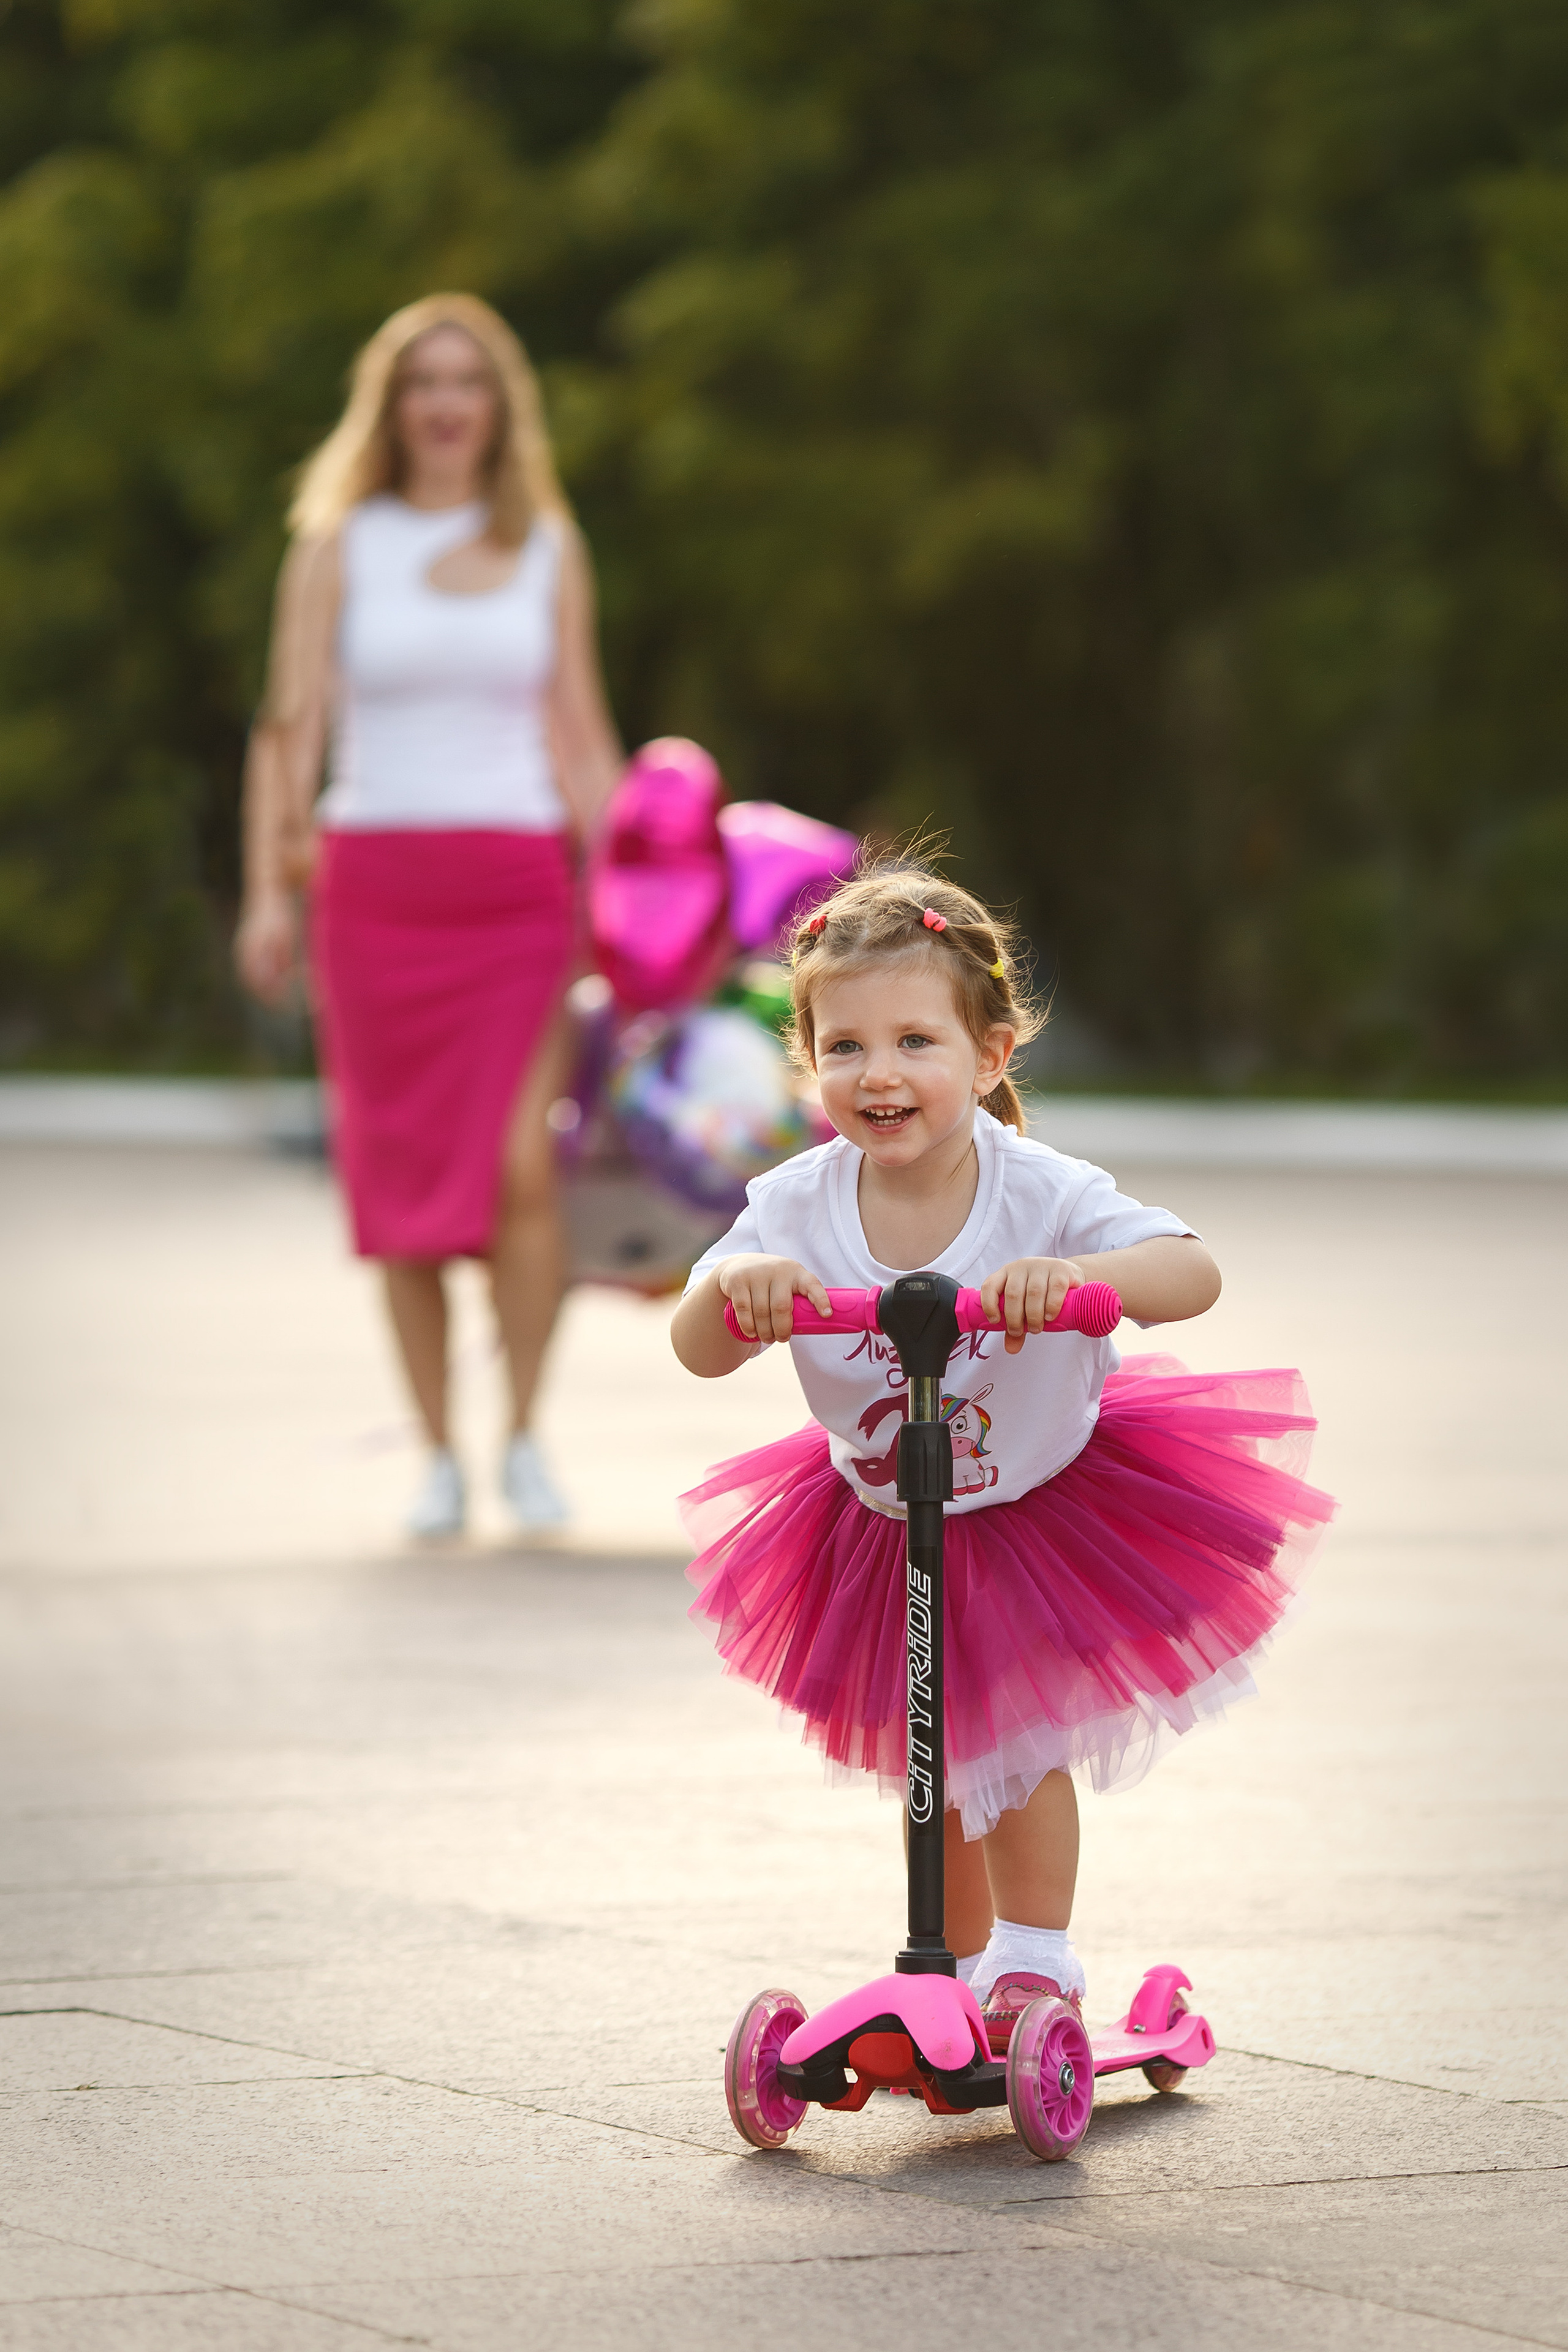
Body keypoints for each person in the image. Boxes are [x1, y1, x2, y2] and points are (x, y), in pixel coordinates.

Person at [670, 861, 1333, 2040]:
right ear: (808, 1059)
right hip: (879, 1513)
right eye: (844, 1046)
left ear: (988, 1058)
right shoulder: (794, 1200)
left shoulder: (1041, 1188)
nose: (879, 1073)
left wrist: (1080, 1282)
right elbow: (696, 1343)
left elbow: (1191, 1272)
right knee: (935, 1759)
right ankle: (950, 1967)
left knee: (1014, 1749)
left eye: (917, 1040)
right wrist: (739, 1292)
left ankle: (1036, 1965)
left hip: (1041, 1504)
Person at [235, 293, 622, 1538]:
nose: (446, 403)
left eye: (468, 381)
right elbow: (288, 728)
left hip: (514, 889)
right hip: (373, 892)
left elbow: (578, 729)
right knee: (400, 1185)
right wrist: (264, 891)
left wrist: (644, 877)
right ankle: (439, 1452)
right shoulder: (340, 543)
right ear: (392, 407)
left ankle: (519, 1434)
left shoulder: (549, 547)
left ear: (499, 407)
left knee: (520, 1174)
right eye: (422, 383)